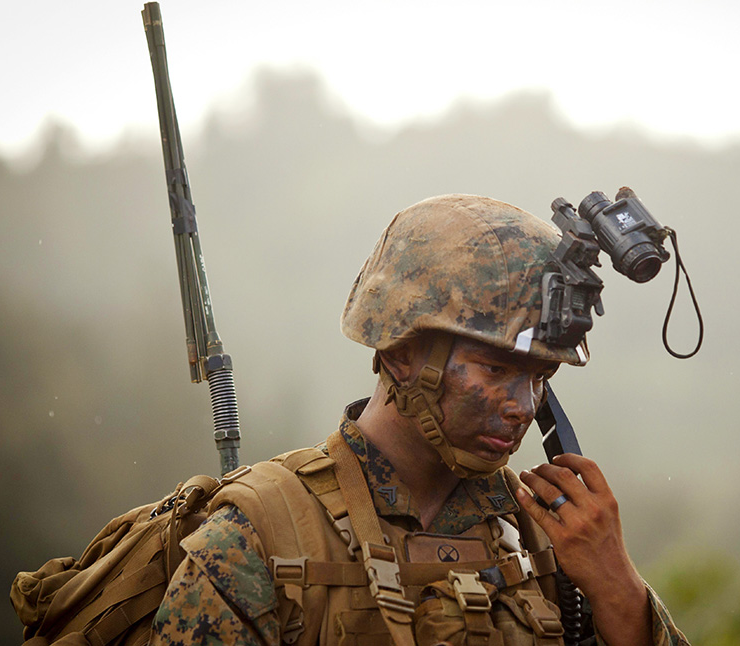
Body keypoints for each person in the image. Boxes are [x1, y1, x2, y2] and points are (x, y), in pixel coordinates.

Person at [151, 194, 689, 645]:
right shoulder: (260, 536)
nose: (524, 406)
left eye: (541, 375)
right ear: (400, 353)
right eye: (496, 368)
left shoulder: (547, 539)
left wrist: (617, 584)